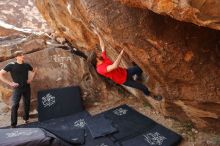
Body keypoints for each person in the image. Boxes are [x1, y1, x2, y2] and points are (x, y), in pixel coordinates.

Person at [89, 30, 162, 101]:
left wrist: (98, 34)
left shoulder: (102, 58)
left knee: (140, 68)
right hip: (123, 80)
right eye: (97, 56)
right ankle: (150, 94)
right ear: (96, 60)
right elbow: (114, 66)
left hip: (125, 72)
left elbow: (102, 47)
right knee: (143, 87)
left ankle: (138, 77)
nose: (98, 55)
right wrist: (121, 54)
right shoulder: (100, 69)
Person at [0, 51, 36, 128]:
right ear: (16, 57)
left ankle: (26, 119)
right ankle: (13, 124)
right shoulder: (11, 65)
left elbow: (34, 71)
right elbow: (1, 74)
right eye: (20, 55)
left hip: (26, 87)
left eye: (23, 54)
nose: (23, 56)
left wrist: (30, 79)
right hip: (17, 88)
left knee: (27, 103)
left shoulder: (26, 65)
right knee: (15, 105)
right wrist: (10, 83)